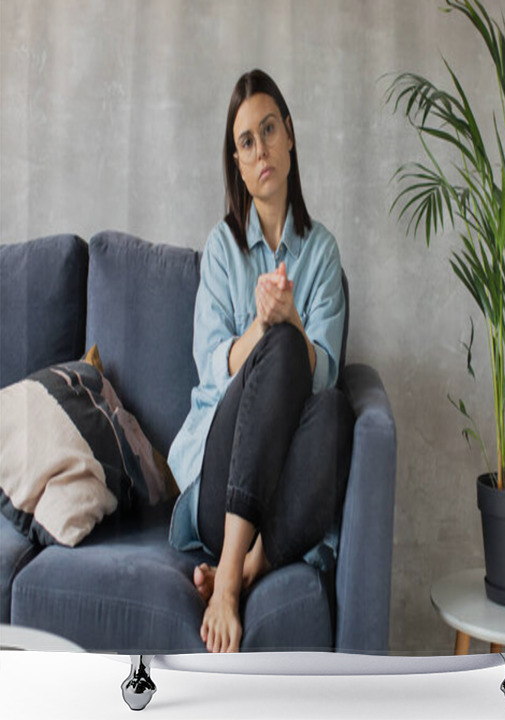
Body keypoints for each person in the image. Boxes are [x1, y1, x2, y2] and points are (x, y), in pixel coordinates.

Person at [167, 69, 353, 653]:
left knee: (337, 413)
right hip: (220, 476)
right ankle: (227, 578)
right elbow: (212, 368)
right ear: (239, 163)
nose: (261, 149)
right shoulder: (222, 248)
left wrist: (292, 320)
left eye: (269, 130)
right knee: (275, 344)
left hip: (281, 477)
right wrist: (264, 327)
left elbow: (321, 375)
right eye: (247, 141)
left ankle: (245, 572)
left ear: (290, 135)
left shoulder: (321, 252)